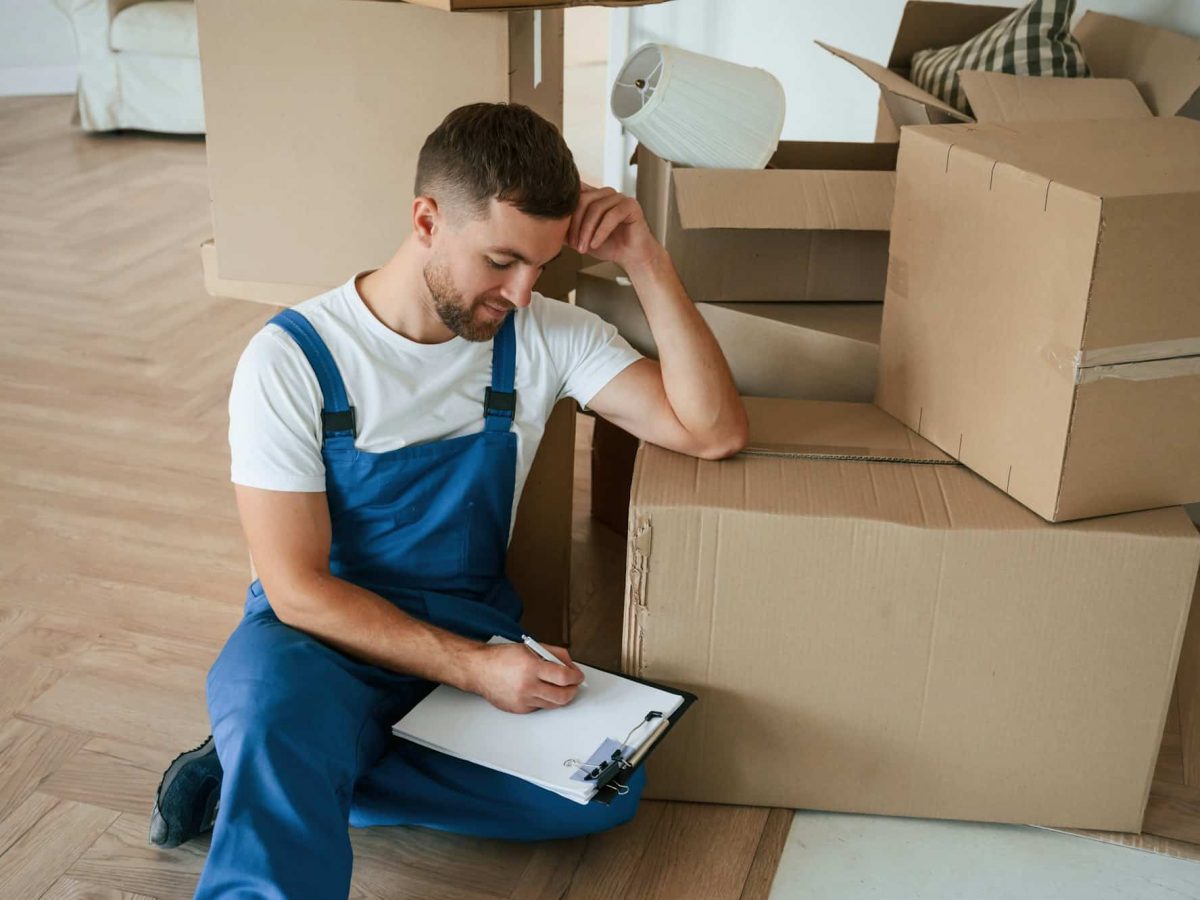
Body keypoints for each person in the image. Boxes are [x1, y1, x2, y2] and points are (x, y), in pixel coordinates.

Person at [149, 102, 747, 898]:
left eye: (540, 265)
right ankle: (276, 750)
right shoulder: (292, 360)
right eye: (502, 261)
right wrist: (475, 673)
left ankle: (272, 768)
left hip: (469, 628)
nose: (524, 292)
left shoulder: (544, 337)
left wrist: (645, 256)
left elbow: (712, 432)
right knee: (271, 700)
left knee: (605, 792)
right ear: (426, 220)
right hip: (316, 643)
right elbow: (297, 590)